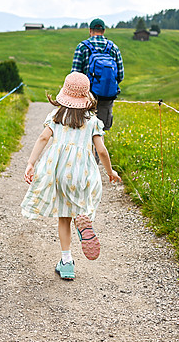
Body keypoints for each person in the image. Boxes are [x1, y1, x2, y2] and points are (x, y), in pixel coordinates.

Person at [20, 72, 121, 281]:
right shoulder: (92, 120)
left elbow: (42, 138)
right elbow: (101, 151)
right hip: (83, 173)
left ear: (64, 93)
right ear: (87, 95)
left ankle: (66, 262)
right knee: (83, 203)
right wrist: (110, 172)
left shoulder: (56, 116)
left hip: (60, 173)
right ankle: (83, 220)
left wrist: (31, 163)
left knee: (63, 216)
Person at [71, 18, 124, 131]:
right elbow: (120, 75)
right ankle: (99, 148)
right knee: (101, 129)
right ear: (104, 31)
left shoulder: (82, 47)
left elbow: (74, 75)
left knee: (84, 128)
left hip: (86, 96)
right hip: (106, 96)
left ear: (90, 30)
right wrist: (105, 84)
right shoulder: (113, 48)